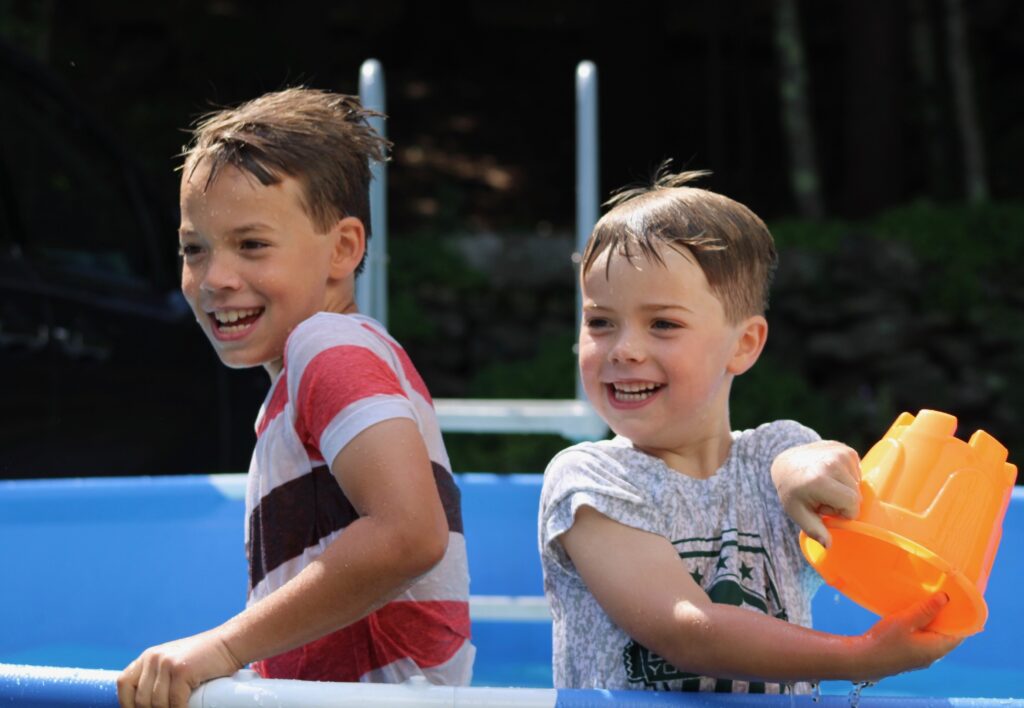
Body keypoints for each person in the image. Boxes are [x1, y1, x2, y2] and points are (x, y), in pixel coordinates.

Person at [538, 168, 960, 693]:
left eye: (663, 324)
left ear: (744, 345)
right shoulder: (589, 480)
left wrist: (811, 471)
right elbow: (683, 631)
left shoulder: (774, 451)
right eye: (600, 322)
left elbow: (803, 460)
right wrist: (860, 656)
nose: (623, 348)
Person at [117, 88, 473, 708]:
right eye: (194, 248)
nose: (216, 278)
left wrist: (224, 648)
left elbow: (413, 532)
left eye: (252, 245)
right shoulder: (309, 373)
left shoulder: (326, 346)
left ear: (343, 249)